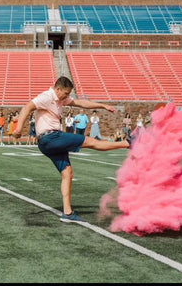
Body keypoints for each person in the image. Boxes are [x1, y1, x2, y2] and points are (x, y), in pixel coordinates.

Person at [13, 76, 131, 223]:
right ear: (58, 89)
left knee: (67, 173)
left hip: (48, 142)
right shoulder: (46, 97)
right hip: (51, 137)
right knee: (91, 142)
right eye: (66, 93)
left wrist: (102, 106)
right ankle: (127, 143)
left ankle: (67, 213)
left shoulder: (60, 99)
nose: (67, 97)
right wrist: (19, 128)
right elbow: (27, 107)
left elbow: (80, 103)